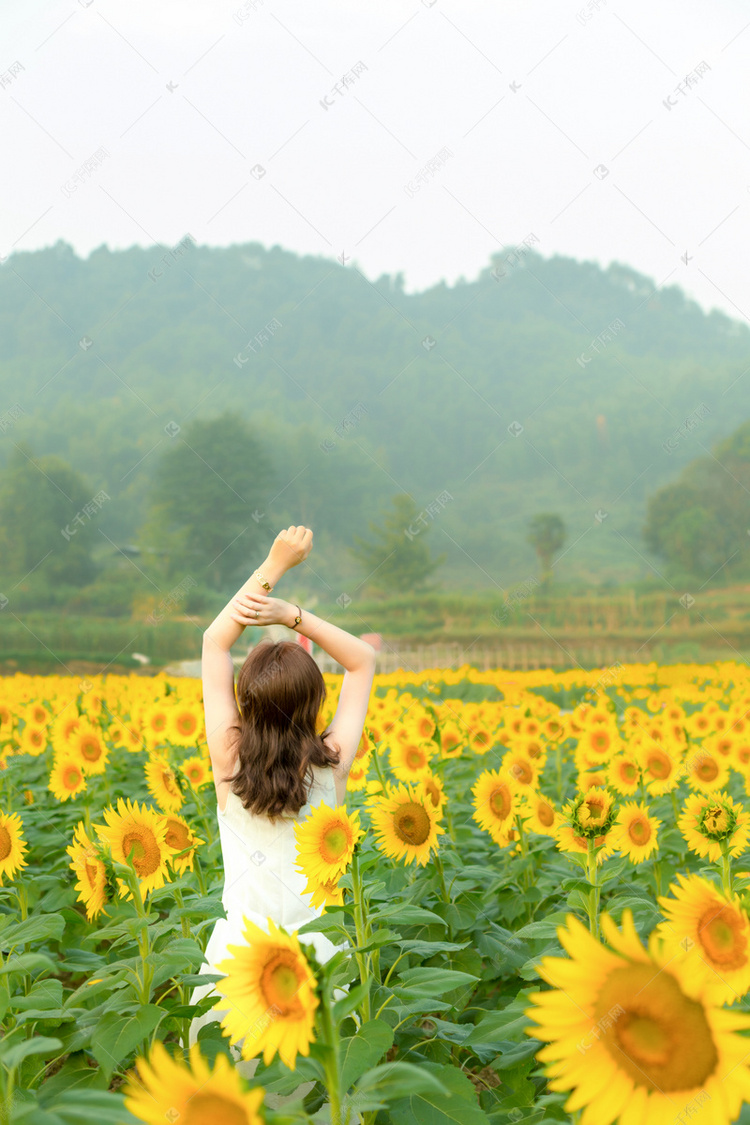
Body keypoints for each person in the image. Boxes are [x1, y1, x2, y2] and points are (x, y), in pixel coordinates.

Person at [187, 525, 377, 1091]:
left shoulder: (229, 760)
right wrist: (291, 615)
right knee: (315, 1097)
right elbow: (364, 661)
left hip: (238, 962)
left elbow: (213, 642)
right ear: (316, 702)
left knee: (237, 1096)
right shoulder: (330, 765)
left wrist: (274, 563)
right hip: (318, 963)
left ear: (245, 703)